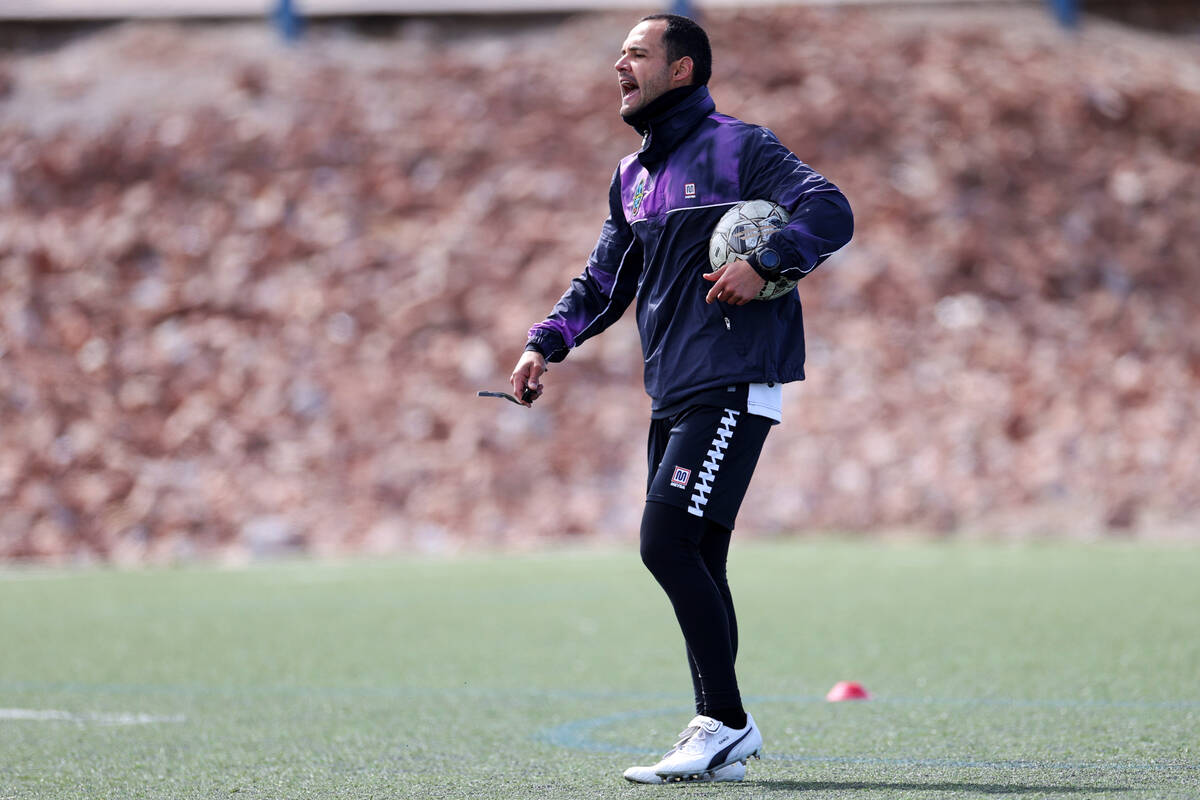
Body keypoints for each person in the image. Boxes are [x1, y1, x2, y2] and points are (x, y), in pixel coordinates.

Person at [509, 13, 853, 784]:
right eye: (619, 54)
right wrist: (546, 342)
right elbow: (604, 281)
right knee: (698, 556)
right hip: (672, 388)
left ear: (682, 71)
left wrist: (766, 264)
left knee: (663, 543)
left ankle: (726, 722)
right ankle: (720, 734)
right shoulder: (630, 179)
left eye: (636, 54)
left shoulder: (741, 148)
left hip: (733, 379)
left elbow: (831, 209)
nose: (619, 65)